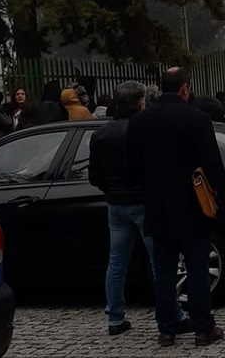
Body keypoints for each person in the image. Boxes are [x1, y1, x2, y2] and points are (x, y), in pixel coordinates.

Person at [126, 67, 225, 347]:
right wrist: (221, 199)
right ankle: (202, 327)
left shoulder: (140, 121)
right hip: (193, 206)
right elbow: (213, 163)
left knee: (164, 271)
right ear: (184, 88)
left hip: (157, 205)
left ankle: (167, 328)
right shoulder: (197, 119)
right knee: (196, 268)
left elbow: (132, 166)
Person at [89, 81, 187, 337]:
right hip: (144, 202)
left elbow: (95, 175)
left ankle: (115, 317)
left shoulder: (101, 135)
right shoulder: (144, 129)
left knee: (116, 262)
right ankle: (171, 313)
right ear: (139, 102)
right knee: (159, 263)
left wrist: (111, 190)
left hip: (116, 204)